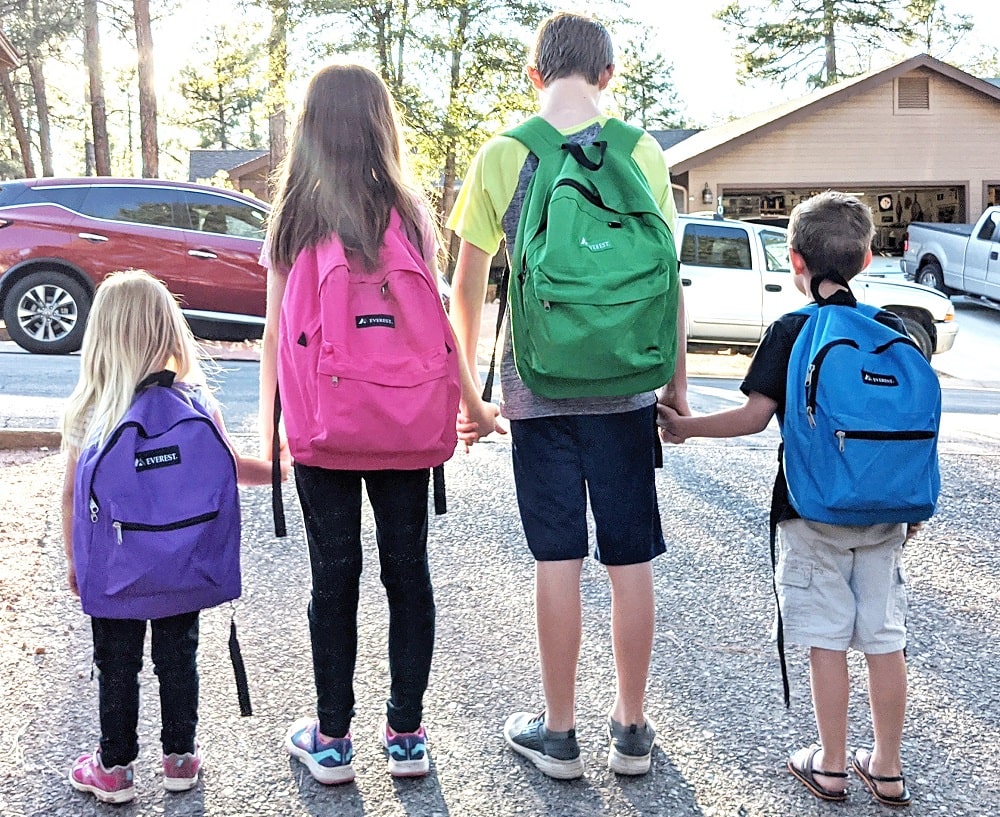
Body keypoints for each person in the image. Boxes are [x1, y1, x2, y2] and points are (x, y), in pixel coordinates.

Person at [446, 11, 688, 780]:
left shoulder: (502, 155)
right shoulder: (642, 151)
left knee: (557, 555)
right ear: (609, 75)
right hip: (625, 385)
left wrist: (473, 398)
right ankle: (633, 728)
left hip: (536, 386)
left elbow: (467, 287)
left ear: (535, 73)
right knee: (630, 556)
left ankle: (558, 733)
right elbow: (665, 280)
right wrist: (674, 389)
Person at [257, 63, 502, 785]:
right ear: (380, 123)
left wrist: (267, 421)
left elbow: (274, 332)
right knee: (408, 571)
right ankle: (406, 735)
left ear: (310, 127)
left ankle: (331, 738)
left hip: (323, 423)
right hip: (404, 420)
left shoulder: (295, 214)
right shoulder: (410, 211)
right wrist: (472, 405)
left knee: (333, 576)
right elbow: (438, 328)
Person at [659, 191, 913, 807]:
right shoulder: (894, 331)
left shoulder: (792, 330)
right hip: (885, 512)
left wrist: (685, 426)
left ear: (794, 261)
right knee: (884, 636)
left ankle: (828, 764)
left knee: (827, 637)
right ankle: (886, 767)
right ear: (869, 260)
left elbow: (753, 418)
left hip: (810, 509)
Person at [60, 269, 281, 805]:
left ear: (101, 336)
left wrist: (76, 562)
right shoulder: (196, 404)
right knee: (178, 656)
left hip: (115, 571)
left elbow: (70, 497)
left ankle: (113, 767)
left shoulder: (90, 410)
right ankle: (180, 757)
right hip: (185, 565)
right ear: (169, 330)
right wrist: (279, 468)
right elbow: (230, 471)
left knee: (117, 664)